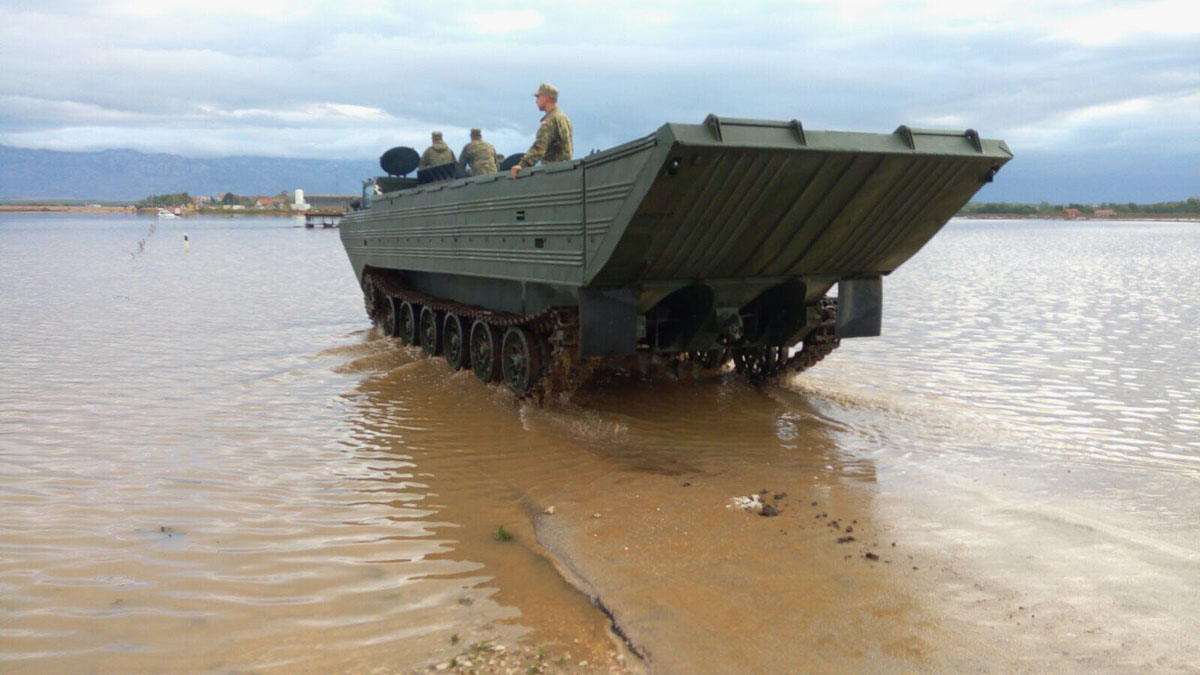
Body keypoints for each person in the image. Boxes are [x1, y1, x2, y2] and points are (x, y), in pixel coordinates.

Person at [510, 83, 573, 179]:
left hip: (553, 173)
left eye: (538, 97)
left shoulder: (550, 120)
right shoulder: (563, 117)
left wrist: (523, 165)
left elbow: (539, 147)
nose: (536, 101)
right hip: (565, 170)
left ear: (545, 97)